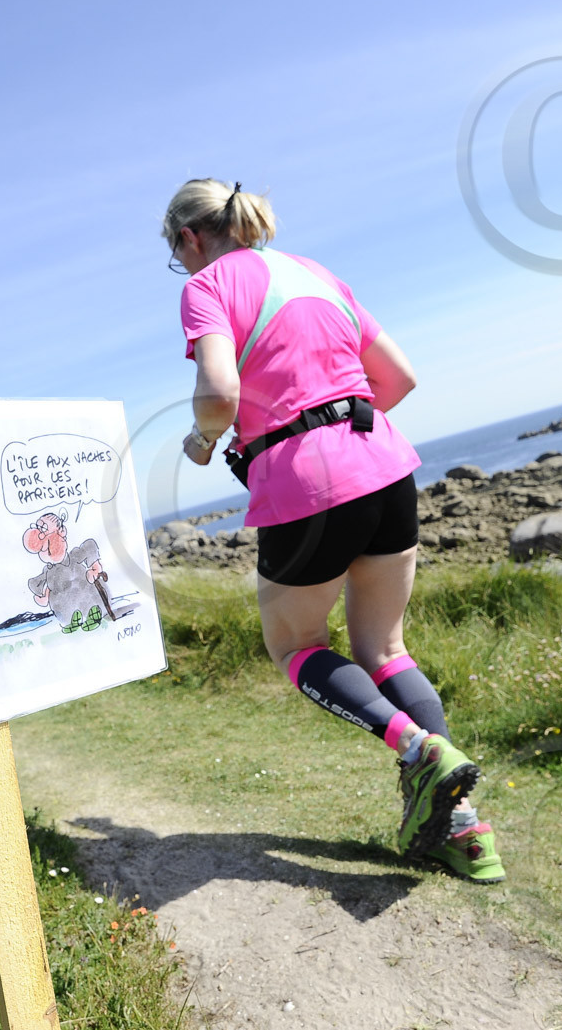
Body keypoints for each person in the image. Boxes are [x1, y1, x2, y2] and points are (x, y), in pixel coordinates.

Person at [162, 178, 504, 883]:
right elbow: (399, 378)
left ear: (190, 237)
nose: (183, 264)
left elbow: (219, 393)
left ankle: (417, 748)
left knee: (295, 645)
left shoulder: (208, 285)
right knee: (386, 647)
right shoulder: (315, 272)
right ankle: (463, 828)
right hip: (385, 463)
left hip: (304, 483)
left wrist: (204, 440)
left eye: (178, 252)